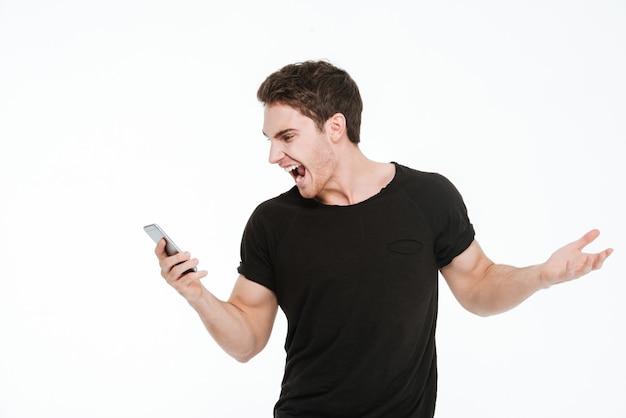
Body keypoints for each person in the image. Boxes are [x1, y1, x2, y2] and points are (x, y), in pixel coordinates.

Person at [153, 60, 613, 417]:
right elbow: (247, 340)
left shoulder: (427, 197)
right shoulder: (272, 222)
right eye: (270, 139)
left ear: (335, 127)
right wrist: (196, 294)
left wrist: (542, 276)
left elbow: (478, 285)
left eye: (287, 136)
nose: (274, 155)